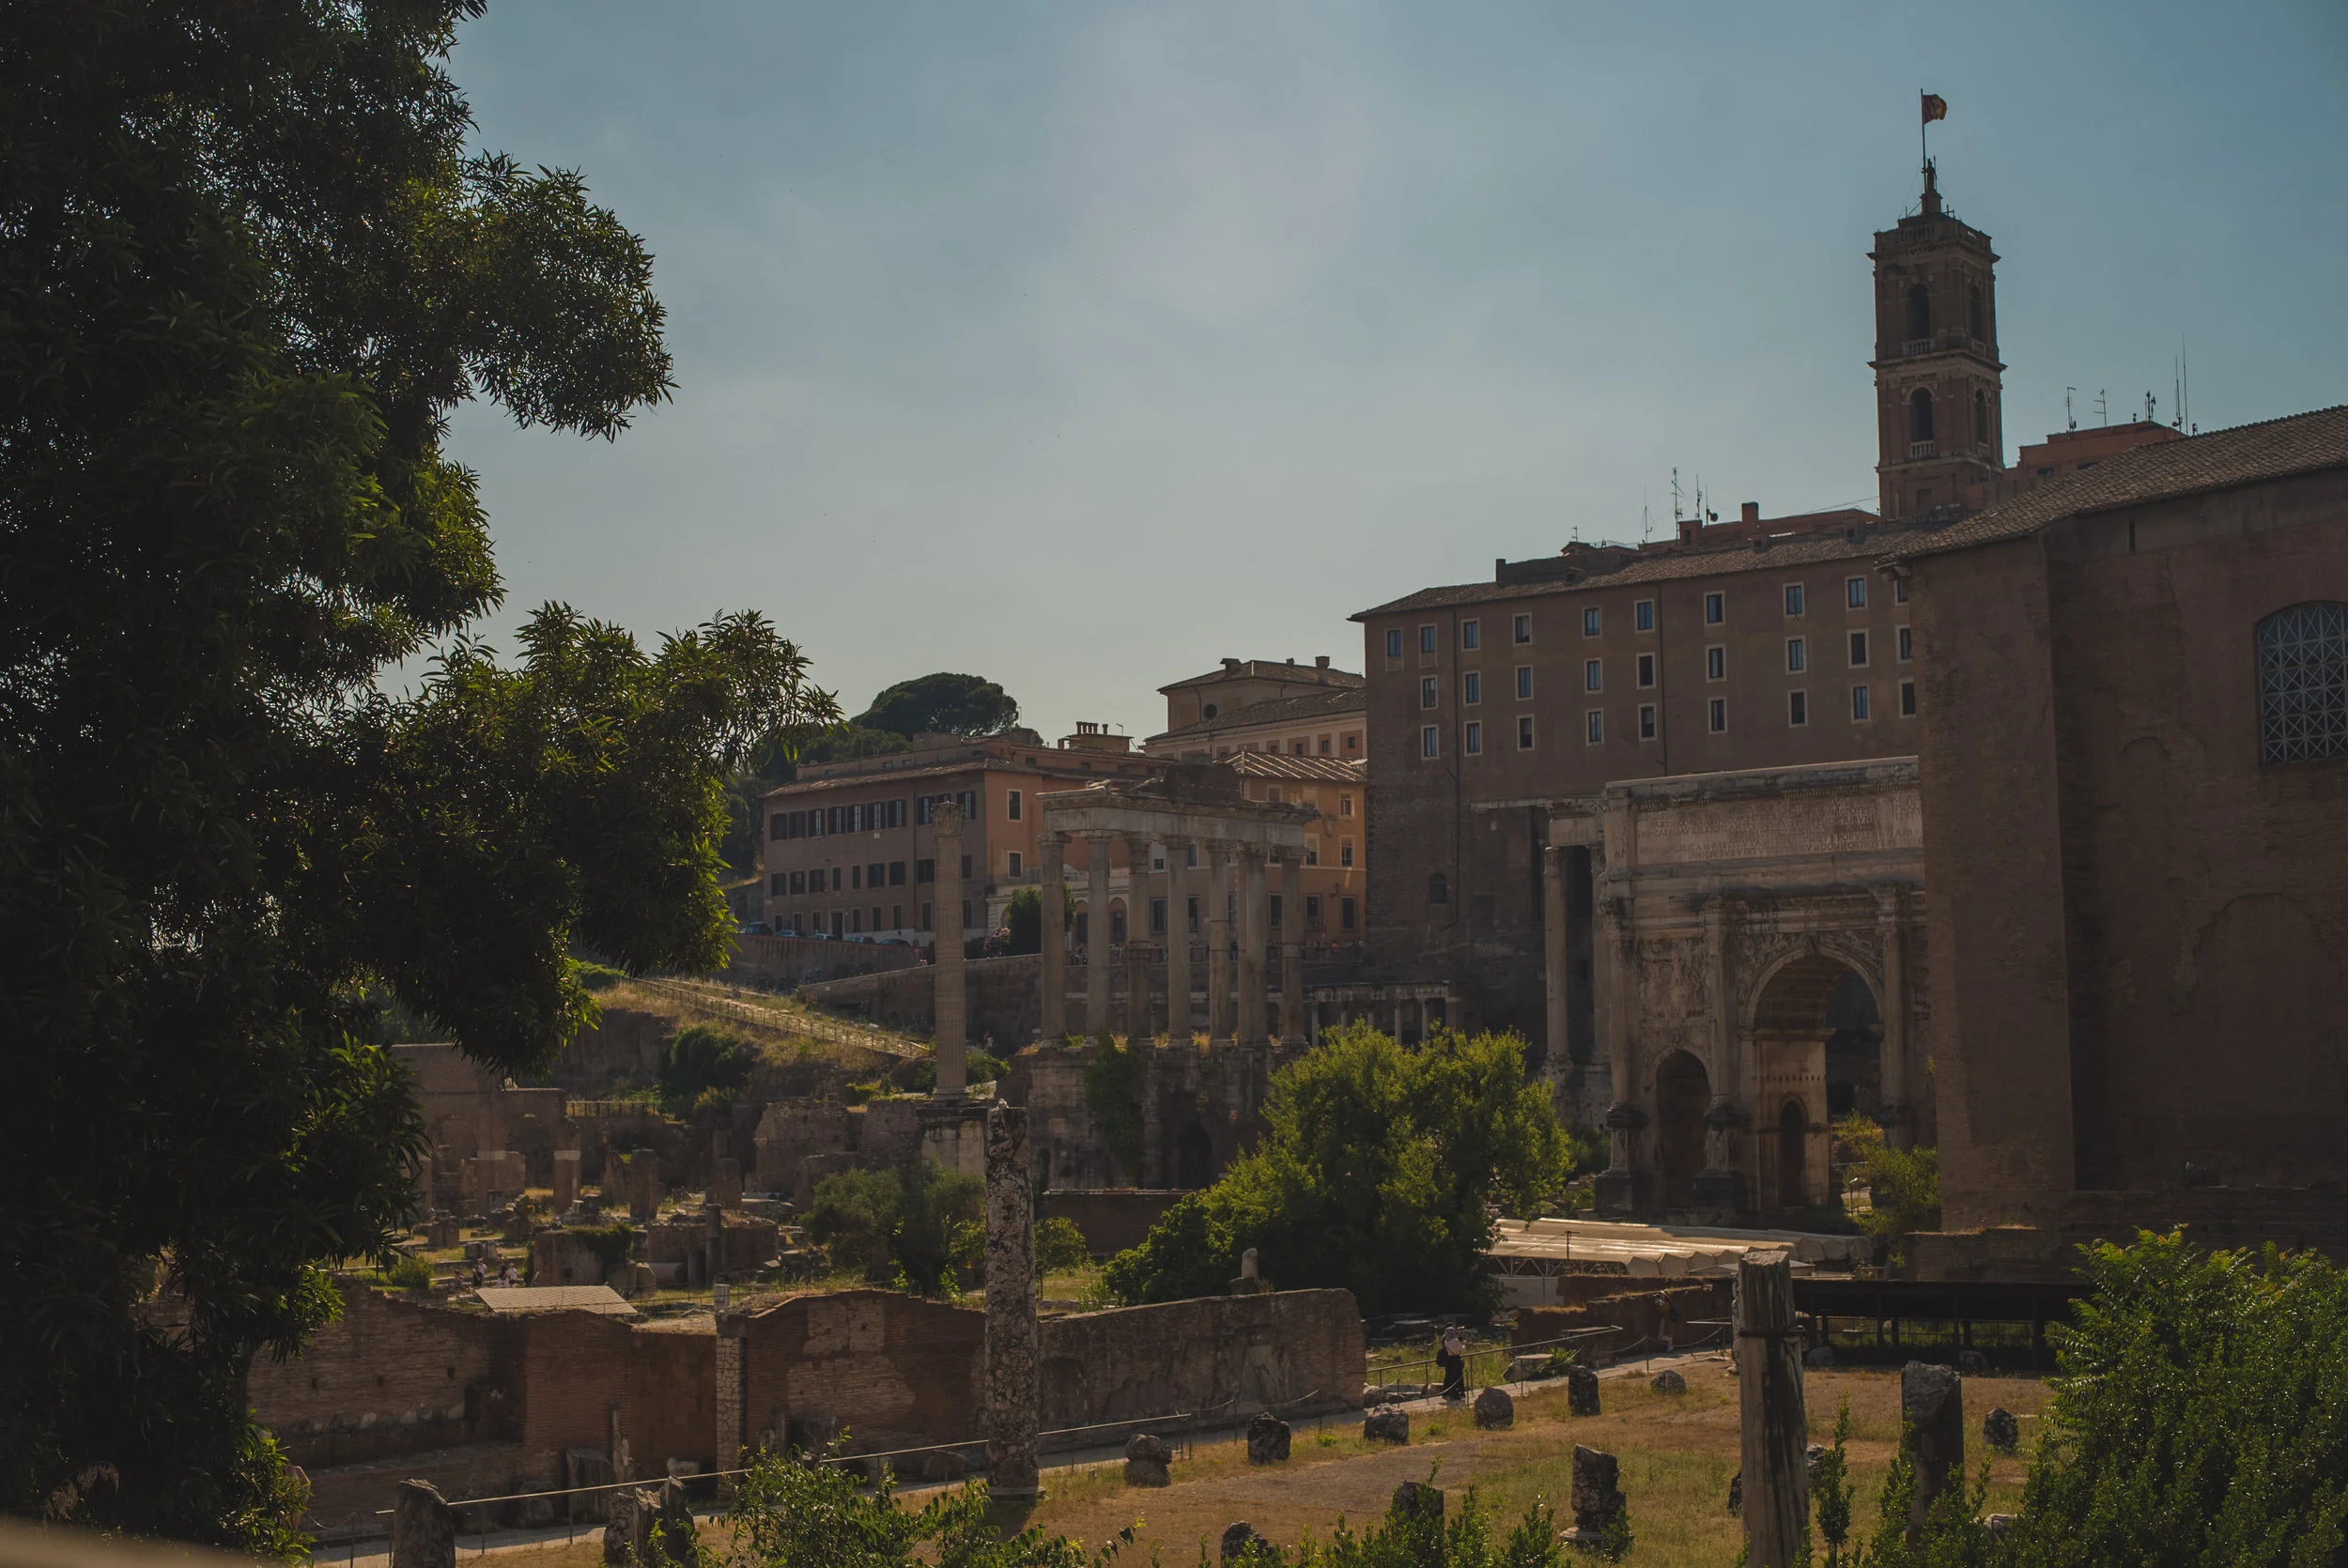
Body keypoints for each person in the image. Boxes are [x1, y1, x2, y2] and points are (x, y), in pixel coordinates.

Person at [1438, 1325, 1468, 1401]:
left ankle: (1449, 1393)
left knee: (1449, 1377)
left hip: (1449, 1361)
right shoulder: (1455, 1340)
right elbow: (1462, 1349)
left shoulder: (1446, 1341)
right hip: (1456, 1360)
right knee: (1458, 1377)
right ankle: (1459, 1393)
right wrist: (1463, 1343)